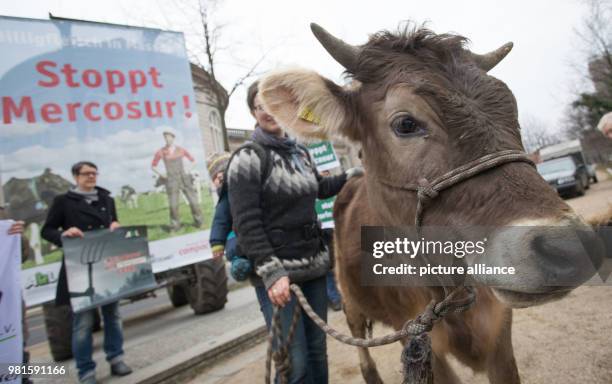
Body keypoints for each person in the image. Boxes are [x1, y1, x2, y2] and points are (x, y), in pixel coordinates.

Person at [227, 81, 361, 384]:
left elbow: (320, 188)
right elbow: (246, 223)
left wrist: (353, 173)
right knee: (294, 362)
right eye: (261, 105)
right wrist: (272, 273)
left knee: (317, 353)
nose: (269, 111)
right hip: (278, 276)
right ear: (253, 112)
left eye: (274, 104)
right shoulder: (248, 158)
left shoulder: (300, 152)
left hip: (313, 266)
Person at [41, 161, 132, 384]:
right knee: (82, 323)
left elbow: (113, 221)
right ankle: (86, 371)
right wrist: (64, 234)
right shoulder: (63, 202)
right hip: (80, 267)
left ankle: (116, 358)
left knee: (113, 316)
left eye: (94, 173)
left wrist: (115, 226)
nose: (91, 177)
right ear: (76, 176)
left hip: (106, 265)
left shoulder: (106, 199)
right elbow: (47, 230)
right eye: (86, 174)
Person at [207, 152, 252, 280]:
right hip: (234, 231)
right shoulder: (224, 199)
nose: (221, 177)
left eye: (224, 172)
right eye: (216, 176)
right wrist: (217, 242)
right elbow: (220, 220)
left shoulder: (246, 187)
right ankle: (239, 263)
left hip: (250, 227)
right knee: (234, 244)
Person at [1, 207, 32, 384]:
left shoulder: (2, 215)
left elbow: (22, 256)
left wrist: (17, 238)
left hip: (6, 310)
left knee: (17, 352)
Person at [151, 128, 203, 231]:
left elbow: (193, 161)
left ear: (173, 138)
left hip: (183, 177)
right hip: (171, 179)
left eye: (169, 136)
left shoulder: (181, 149)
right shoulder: (161, 151)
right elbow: (153, 166)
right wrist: (162, 175)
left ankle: (199, 222)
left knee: (193, 200)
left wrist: (188, 171)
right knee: (173, 204)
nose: (167, 139)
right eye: (165, 137)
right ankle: (175, 226)